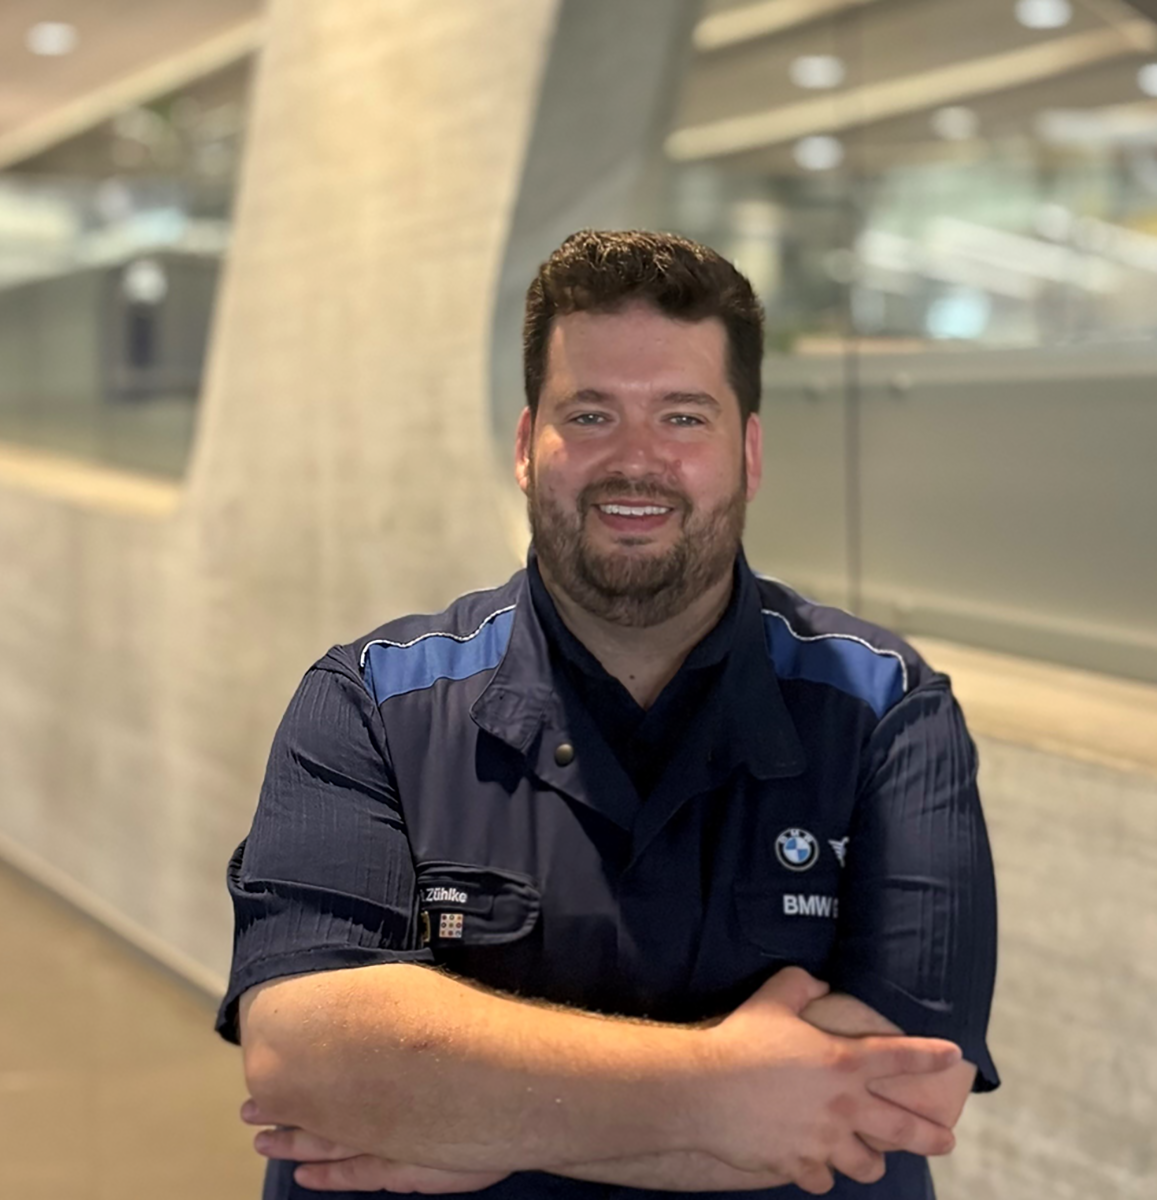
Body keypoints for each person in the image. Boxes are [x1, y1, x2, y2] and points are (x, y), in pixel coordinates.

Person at [217, 229, 999, 1199]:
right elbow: (307, 1061)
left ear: (748, 453)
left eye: (683, 417)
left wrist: (455, 1119)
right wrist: (732, 1099)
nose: (637, 462)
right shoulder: (371, 704)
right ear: (523, 445)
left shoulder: (885, 710)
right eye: (590, 414)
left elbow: (906, 1090)